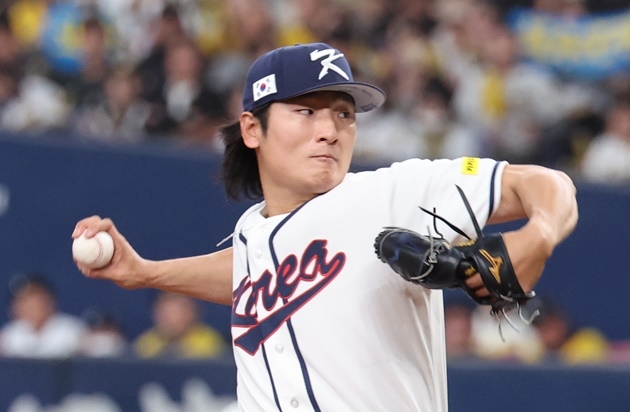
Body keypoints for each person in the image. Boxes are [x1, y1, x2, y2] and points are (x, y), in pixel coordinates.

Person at [72, 42, 578, 411]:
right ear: (252, 128)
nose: (330, 131)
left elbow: (544, 183)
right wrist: (145, 272)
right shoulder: (253, 231)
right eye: (305, 111)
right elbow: (249, 272)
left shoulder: (392, 194)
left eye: (343, 114)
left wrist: (538, 235)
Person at [0, 273, 87, 358]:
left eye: (34, 299)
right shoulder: (9, 336)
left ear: (48, 300)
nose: (30, 306)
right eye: (23, 301)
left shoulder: (72, 331)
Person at [133, 291, 228, 359]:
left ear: (191, 312)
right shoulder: (147, 342)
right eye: (165, 313)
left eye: (176, 312)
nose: (171, 320)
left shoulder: (209, 340)